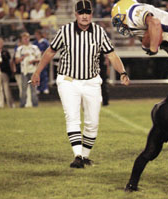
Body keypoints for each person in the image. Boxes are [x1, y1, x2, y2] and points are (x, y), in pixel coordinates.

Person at [31, 0, 130, 169]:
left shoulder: (99, 32)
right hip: (69, 80)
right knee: (72, 117)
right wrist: (37, 71)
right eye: (81, 13)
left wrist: (122, 72)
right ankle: (77, 155)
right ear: (75, 14)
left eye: (87, 12)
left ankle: (84, 156)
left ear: (91, 14)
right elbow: (50, 51)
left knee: (93, 122)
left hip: (92, 81)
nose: (84, 16)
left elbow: (112, 55)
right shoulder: (65, 30)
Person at [15, 32, 41, 108]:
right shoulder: (20, 49)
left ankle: (35, 104)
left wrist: (34, 61)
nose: (26, 39)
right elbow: (16, 60)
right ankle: (22, 104)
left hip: (33, 71)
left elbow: (40, 58)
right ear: (22, 39)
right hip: (24, 71)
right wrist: (23, 57)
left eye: (27, 38)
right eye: (24, 38)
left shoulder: (34, 48)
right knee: (23, 89)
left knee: (33, 89)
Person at [0, 37, 15, 108]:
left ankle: (11, 104)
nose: (0, 44)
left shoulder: (5, 51)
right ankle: (0, 104)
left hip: (4, 72)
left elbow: (10, 62)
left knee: (6, 89)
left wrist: (12, 70)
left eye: (1, 43)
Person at [32, 29, 50, 94]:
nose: (36, 36)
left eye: (37, 34)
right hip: (37, 60)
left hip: (43, 60)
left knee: (44, 74)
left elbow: (49, 51)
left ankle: (45, 87)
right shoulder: (35, 43)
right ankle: (38, 88)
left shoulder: (45, 42)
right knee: (38, 74)